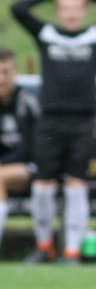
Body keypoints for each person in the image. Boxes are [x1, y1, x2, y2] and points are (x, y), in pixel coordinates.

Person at [11, 0, 96, 264]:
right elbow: (18, 9)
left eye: (76, 8)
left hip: (83, 120)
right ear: (58, 10)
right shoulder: (46, 33)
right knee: (44, 183)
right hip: (50, 120)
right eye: (65, 8)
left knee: (77, 183)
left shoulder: (94, 35)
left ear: (84, 10)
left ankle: (72, 251)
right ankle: (44, 247)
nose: (70, 14)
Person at [0, 49, 41, 249]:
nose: (1, 79)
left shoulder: (27, 101)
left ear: (15, 73)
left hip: (32, 166)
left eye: (5, 72)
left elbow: (30, 148)